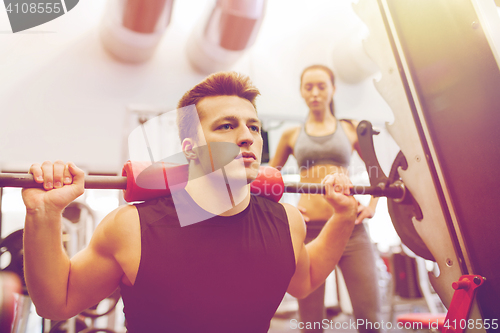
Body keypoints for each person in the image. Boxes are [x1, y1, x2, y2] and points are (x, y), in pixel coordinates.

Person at [22, 71, 358, 333]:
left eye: (253, 127)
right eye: (226, 126)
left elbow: (306, 279)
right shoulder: (132, 228)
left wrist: (343, 217)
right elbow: (58, 302)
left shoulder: (287, 222)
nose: (246, 137)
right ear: (190, 150)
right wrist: (44, 214)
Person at [269, 65, 382, 333]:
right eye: (309, 87)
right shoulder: (291, 135)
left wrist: (373, 206)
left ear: (333, 89)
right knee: (310, 324)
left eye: (322, 86)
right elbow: (269, 179)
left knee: (370, 319)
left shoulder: (351, 129)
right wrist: (282, 210)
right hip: (308, 233)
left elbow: (377, 171)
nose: (315, 93)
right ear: (302, 92)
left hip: (351, 230)